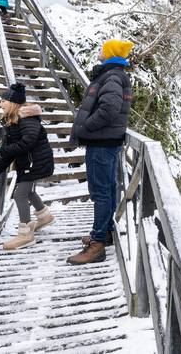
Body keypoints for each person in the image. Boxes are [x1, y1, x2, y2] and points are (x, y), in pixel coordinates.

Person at [67, 39, 134, 265]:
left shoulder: (112, 76)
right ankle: (104, 233)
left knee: (100, 192)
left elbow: (110, 107)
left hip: (101, 142)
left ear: (109, 53)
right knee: (108, 189)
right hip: (107, 141)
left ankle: (97, 245)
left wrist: (87, 127)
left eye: (102, 48)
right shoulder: (113, 74)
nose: (99, 51)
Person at [0, 83, 55, 250]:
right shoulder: (14, 121)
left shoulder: (26, 120)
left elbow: (26, 143)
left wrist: (1, 150)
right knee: (29, 191)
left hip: (34, 164)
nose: (0, 105)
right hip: (29, 163)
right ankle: (44, 217)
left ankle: (25, 234)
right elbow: (11, 152)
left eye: (3, 101)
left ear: (12, 103)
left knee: (19, 194)